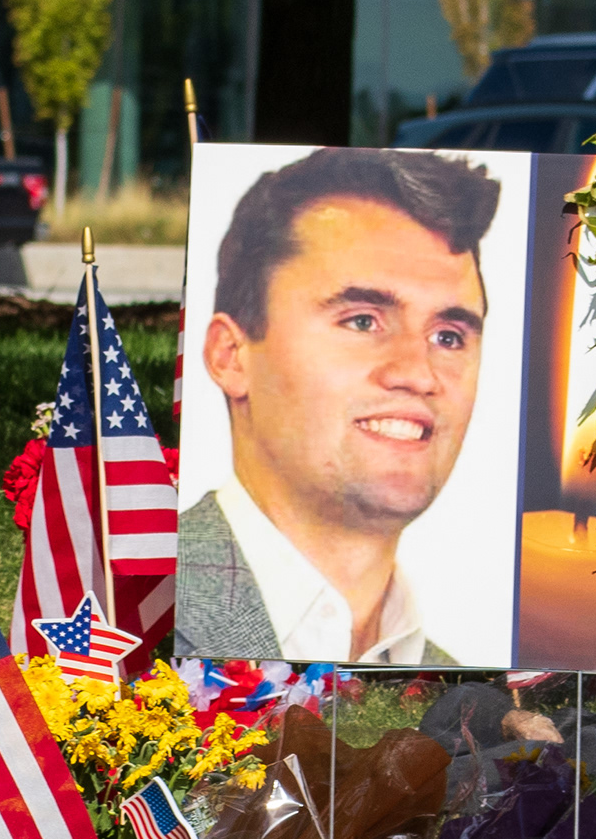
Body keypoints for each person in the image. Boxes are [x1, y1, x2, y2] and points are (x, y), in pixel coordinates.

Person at [175, 145, 500, 662]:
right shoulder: (136, 611)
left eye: (449, 336)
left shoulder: (458, 687)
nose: (418, 373)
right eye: (363, 321)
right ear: (231, 356)